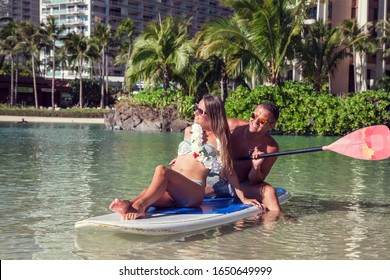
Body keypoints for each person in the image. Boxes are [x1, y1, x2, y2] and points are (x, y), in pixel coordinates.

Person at [109, 95, 261, 220]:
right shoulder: (189, 131)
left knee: (162, 170)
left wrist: (243, 198)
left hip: (192, 193)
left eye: (200, 111)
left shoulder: (219, 139)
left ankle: (139, 207)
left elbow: (228, 171)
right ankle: (130, 205)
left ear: (213, 115)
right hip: (174, 190)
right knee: (147, 191)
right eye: (196, 108)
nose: (195, 112)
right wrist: (179, 161)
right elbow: (187, 156)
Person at [205, 102, 282, 215]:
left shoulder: (271, 148)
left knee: (269, 191)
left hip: (241, 186)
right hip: (217, 178)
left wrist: (256, 167)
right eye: (254, 116)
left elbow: (255, 181)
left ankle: (277, 224)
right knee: (188, 191)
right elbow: (204, 134)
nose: (255, 122)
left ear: (271, 126)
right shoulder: (232, 126)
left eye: (262, 121)